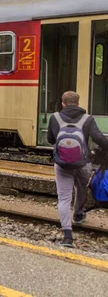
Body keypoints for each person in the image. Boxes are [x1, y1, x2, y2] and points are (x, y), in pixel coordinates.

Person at [47, 91, 108, 248]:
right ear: (79, 103)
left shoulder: (55, 118)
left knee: (64, 198)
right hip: (83, 163)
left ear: (63, 103)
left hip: (61, 164)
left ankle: (67, 237)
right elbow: (99, 139)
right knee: (81, 187)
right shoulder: (87, 119)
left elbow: (50, 140)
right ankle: (78, 214)